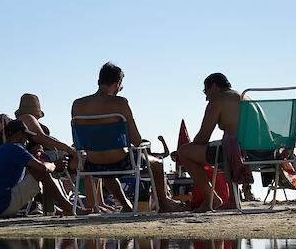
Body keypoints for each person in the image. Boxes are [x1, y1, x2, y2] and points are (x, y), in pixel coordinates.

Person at [70, 62, 184, 213]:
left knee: (106, 169)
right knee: (157, 164)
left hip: (93, 164)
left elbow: (77, 141)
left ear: (99, 81)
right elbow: (136, 141)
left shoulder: (77, 105)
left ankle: (125, 205)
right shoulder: (121, 102)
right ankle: (164, 205)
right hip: (122, 162)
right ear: (118, 84)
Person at [175, 73, 244, 212]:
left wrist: (193, 145)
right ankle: (232, 200)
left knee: (184, 152)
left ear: (214, 87)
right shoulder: (245, 96)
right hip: (256, 152)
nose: (206, 98)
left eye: (205, 92)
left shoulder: (218, 100)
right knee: (227, 143)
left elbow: (203, 137)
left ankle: (212, 199)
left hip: (235, 150)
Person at [0, 120, 74, 218]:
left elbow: (30, 179)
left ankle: (55, 208)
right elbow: (42, 168)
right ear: (18, 134)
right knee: (41, 173)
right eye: (26, 138)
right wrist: (55, 164)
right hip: (4, 206)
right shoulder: (15, 148)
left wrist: (35, 157)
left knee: (34, 177)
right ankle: (69, 208)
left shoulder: (2, 149)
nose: (27, 142)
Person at [13, 94, 78, 164]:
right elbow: (42, 138)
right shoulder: (27, 117)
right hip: (38, 160)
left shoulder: (20, 121)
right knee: (79, 157)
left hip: (39, 159)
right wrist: (68, 149)